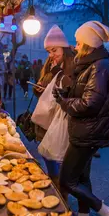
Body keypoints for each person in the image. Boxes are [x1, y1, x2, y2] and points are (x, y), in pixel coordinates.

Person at [53, 21, 109, 216]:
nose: (75, 47)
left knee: (67, 181)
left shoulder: (100, 66)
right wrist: (65, 94)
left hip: (88, 132)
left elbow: (89, 104)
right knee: (82, 179)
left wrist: (63, 103)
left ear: (88, 44)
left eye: (78, 42)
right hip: (85, 130)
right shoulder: (91, 65)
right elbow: (86, 95)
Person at [32, 24, 75, 195]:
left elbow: (72, 91)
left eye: (54, 50)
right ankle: (54, 185)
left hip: (62, 122)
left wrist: (59, 73)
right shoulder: (50, 64)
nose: (51, 55)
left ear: (64, 48)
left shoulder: (73, 66)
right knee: (47, 156)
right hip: (45, 120)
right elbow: (43, 85)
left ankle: (62, 197)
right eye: (49, 51)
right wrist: (39, 89)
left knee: (62, 160)